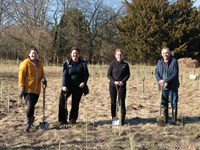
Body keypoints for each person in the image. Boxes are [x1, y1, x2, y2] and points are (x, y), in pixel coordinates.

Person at [18, 47, 47, 132]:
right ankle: (28, 122)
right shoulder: (25, 64)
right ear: (29, 54)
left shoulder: (40, 64)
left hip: (36, 90)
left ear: (37, 55)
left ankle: (31, 122)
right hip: (27, 90)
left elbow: (42, 75)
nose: (33, 55)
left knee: (32, 106)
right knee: (30, 105)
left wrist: (44, 79)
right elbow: (21, 77)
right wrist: (21, 88)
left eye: (35, 53)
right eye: (32, 53)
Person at [59, 47, 89, 125]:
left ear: (78, 54)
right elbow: (64, 75)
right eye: (73, 53)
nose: (75, 54)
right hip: (68, 86)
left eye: (76, 53)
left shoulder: (83, 63)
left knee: (75, 103)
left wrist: (84, 82)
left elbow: (86, 75)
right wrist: (63, 85)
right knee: (62, 100)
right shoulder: (67, 63)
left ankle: (73, 119)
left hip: (79, 87)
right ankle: (62, 120)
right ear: (71, 54)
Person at [155, 47, 179, 125]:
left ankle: (173, 120)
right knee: (164, 103)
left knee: (173, 102)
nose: (165, 55)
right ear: (161, 54)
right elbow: (157, 73)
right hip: (163, 86)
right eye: (163, 53)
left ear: (170, 53)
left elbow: (175, 74)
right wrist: (159, 80)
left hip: (172, 86)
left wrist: (165, 80)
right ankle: (165, 120)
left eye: (167, 53)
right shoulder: (159, 62)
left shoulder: (174, 61)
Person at [107, 48, 130, 125]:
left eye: (120, 54)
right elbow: (108, 75)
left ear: (122, 56)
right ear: (115, 56)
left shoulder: (126, 65)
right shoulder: (112, 64)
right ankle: (114, 120)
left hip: (122, 86)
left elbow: (128, 75)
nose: (119, 56)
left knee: (121, 103)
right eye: (118, 54)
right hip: (113, 86)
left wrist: (122, 82)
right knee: (113, 103)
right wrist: (114, 82)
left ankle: (122, 120)